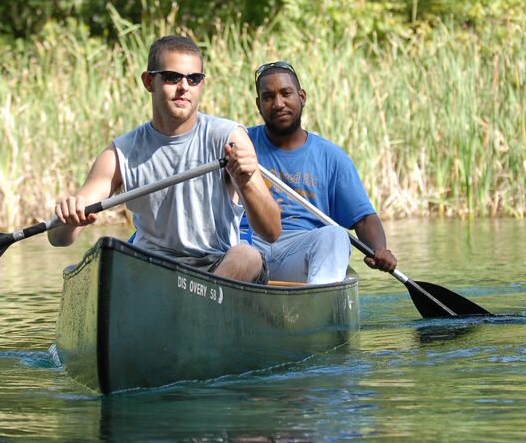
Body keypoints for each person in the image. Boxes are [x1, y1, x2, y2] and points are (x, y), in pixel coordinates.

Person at [48, 36, 280, 283]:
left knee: (248, 256)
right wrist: (68, 220)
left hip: (218, 269)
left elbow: (272, 231)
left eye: (194, 79)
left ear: (201, 84)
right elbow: (59, 238)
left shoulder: (229, 137)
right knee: (107, 251)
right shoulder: (120, 153)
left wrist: (245, 183)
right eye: (172, 77)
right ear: (149, 81)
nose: (184, 87)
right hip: (154, 272)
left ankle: (193, 311)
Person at [241, 61, 398, 284]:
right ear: (259, 104)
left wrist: (379, 249)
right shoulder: (240, 142)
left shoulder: (331, 157)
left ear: (301, 97)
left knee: (336, 235)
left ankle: (317, 304)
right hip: (248, 245)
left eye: (286, 93)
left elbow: (363, 219)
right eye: (268, 97)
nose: (278, 103)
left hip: (299, 249)